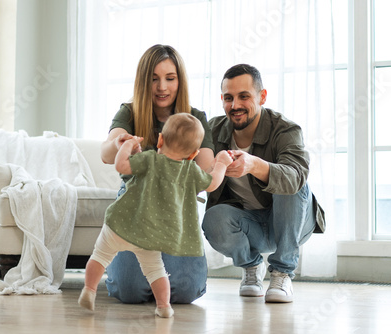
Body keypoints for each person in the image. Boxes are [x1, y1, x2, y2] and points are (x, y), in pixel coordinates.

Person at [79, 114, 233, 317]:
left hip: (121, 224)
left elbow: (121, 166)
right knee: (155, 271)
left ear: (160, 140)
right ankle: (163, 306)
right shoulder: (190, 170)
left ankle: (89, 291)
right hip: (150, 237)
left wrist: (129, 145)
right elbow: (212, 183)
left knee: (100, 256)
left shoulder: (149, 158)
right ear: (193, 153)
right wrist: (221, 162)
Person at [100, 44, 216, 304]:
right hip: (136, 206)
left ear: (180, 81)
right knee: (129, 291)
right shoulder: (129, 112)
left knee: (186, 292)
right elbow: (106, 154)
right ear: (143, 82)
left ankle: (156, 281)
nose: (162, 86)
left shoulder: (196, 118)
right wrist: (120, 144)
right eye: (154, 79)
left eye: (169, 78)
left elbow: (205, 171)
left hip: (176, 206)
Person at [202, 64, 326, 303]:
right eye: (229, 98)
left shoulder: (285, 129)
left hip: (294, 221)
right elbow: (193, 170)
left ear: (262, 96)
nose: (235, 105)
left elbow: (297, 175)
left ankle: (282, 273)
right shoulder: (213, 131)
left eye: (244, 96)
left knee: (290, 182)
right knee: (213, 218)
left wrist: (254, 165)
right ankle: (251, 266)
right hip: (250, 225)